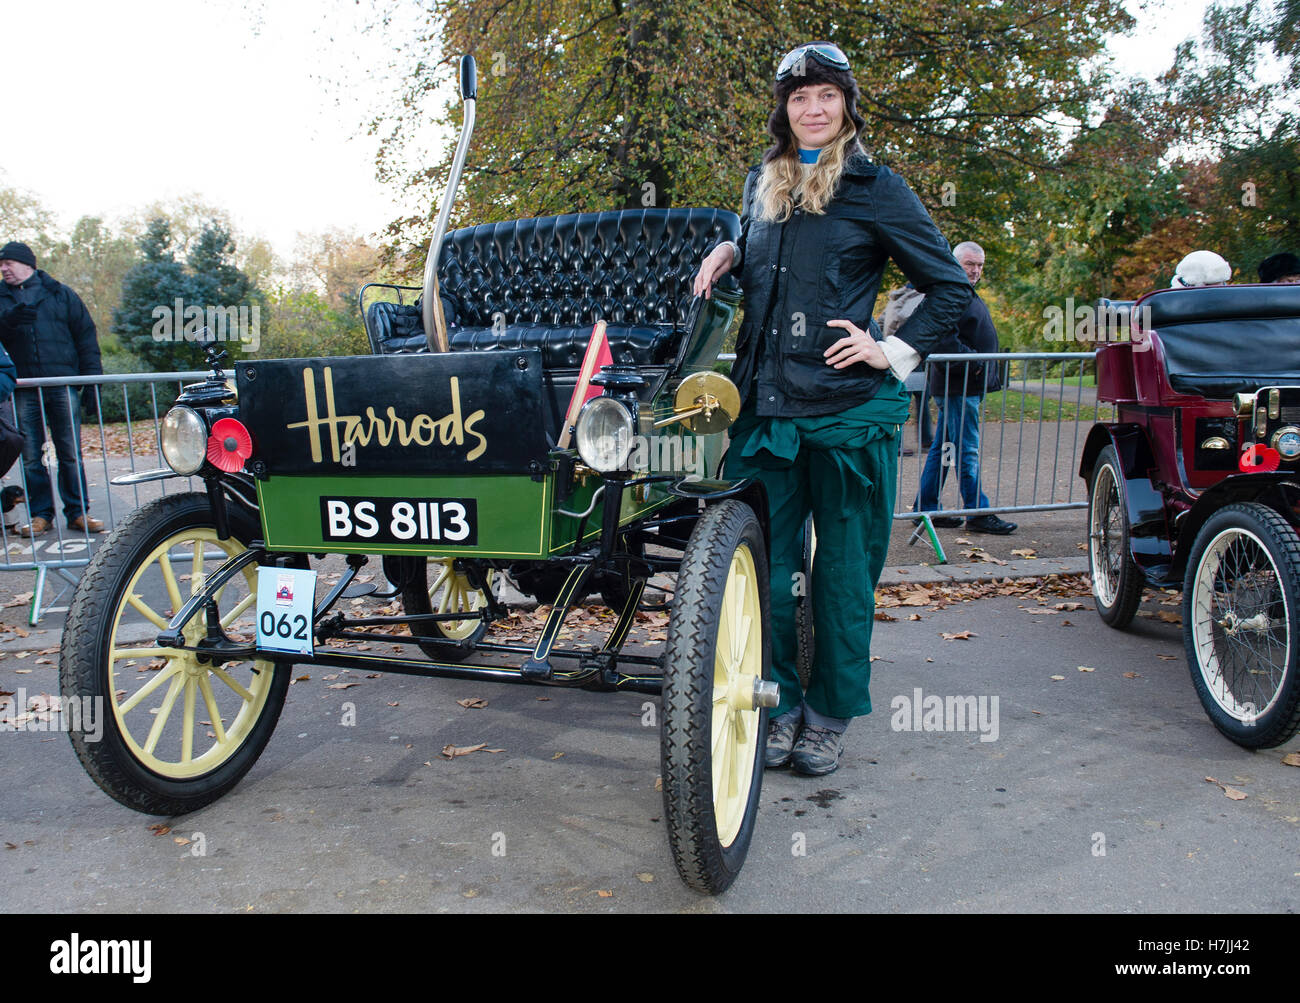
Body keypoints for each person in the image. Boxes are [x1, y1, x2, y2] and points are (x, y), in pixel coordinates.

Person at [693, 42, 972, 776]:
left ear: (846, 104)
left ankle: (827, 716)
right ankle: (777, 704)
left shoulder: (878, 187)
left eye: (825, 96)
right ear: (783, 110)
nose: (812, 109)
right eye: (798, 98)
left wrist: (893, 350)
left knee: (842, 577)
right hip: (763, 416)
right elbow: (763, 259)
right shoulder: (762, 182)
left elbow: (951, 288)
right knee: (769, 571)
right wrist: (729, 246)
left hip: (847, 417)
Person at [0, 241, 104, 535]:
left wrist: (93, 384)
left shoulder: (61, 294)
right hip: (22, 389)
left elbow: (86, 338)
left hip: (62, 385)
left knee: (70, 452)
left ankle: (78, 513)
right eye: (1, 264)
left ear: (27, 264)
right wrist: (6, 323)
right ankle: (40, 515)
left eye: (8, 262)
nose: (3, 268)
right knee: (32, 456)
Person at [913, 241, 1016, 535]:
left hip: (962, 387)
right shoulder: (952, 293)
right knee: (966, 451)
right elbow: (943, 341)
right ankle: (977, 513)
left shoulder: (962, 292)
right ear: (955, 262)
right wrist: (977, 364)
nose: (976, 270)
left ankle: (927, 508)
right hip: (958, 388)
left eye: (980, 265)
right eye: (970, 264)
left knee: (943, 450)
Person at [881, 283, 933, 455]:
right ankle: (900, 443)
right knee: (908, 397)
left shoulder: (895, 297)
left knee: (919, 396)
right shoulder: (916, 297)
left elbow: (882, 322)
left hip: (896, 351)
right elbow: (906, 319)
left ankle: (924, 439)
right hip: (909, 352)